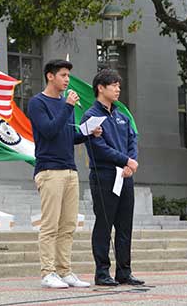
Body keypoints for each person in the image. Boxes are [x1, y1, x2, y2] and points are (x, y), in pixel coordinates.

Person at [27, 59, 102, 289]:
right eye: (63, 75)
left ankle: (64, 271)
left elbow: (68, 135)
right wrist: (67, 106)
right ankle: (47, 272)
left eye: (68, 75)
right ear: (50, 76)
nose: (67, 80)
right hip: (49, 171)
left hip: (70, 170)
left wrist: (89, 132)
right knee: (50, 225)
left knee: (68, 225)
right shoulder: (37, 103)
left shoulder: (64, 103)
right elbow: (49, 131)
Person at [81, 69, 145, 286]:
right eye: (114, 85)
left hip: (126, 176)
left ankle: (124, 272)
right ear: (101, 87)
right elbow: (98, 148)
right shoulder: (91, 116)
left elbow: (132, 141)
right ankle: (102, 272)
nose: (118, 89)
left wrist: (130, 164)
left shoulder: (121, 116)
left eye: (119, 85)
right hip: (105, 176)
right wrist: (125, 161)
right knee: (104, 225)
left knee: (125, 225)